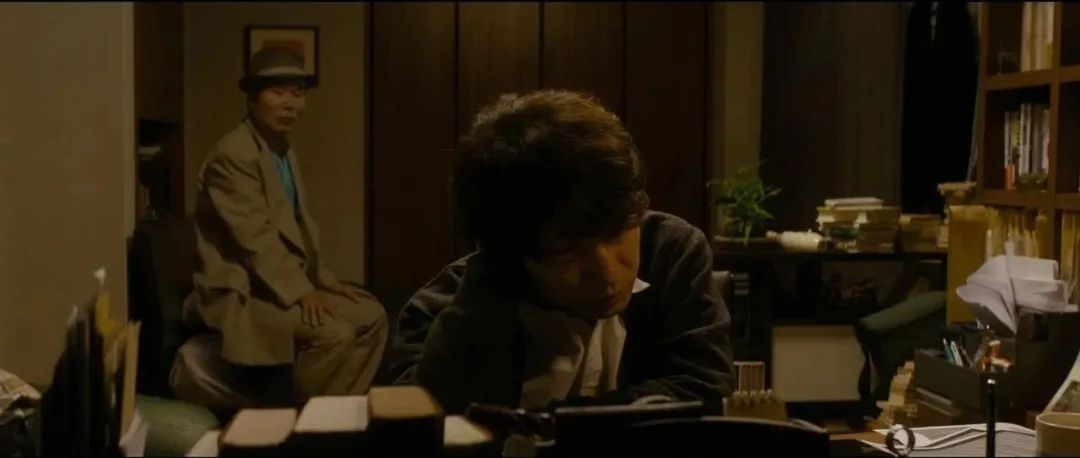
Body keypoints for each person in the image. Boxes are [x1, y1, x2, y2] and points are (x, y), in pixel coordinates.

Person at [392, 90, 734, 414]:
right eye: (567, 255)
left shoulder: (670, 253)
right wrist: (484, 303)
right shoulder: (436, 314)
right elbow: (425, 422)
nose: (607, 274)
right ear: (513, 255)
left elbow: (704, 388)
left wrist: (547, 423)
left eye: (616, 233)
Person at [184, 47, 387, 405]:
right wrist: (301, 291)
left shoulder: (280, 149)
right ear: (252, 98)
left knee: (372, 317)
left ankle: (331, 415)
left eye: (298, 93)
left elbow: (297, 227)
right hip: (242, 289)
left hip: (273, 282)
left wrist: (324, 280)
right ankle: (298, 422)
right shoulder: (233, 154)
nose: (290, 104)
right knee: (334, 334)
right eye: (278, 92)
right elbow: (255, 241)